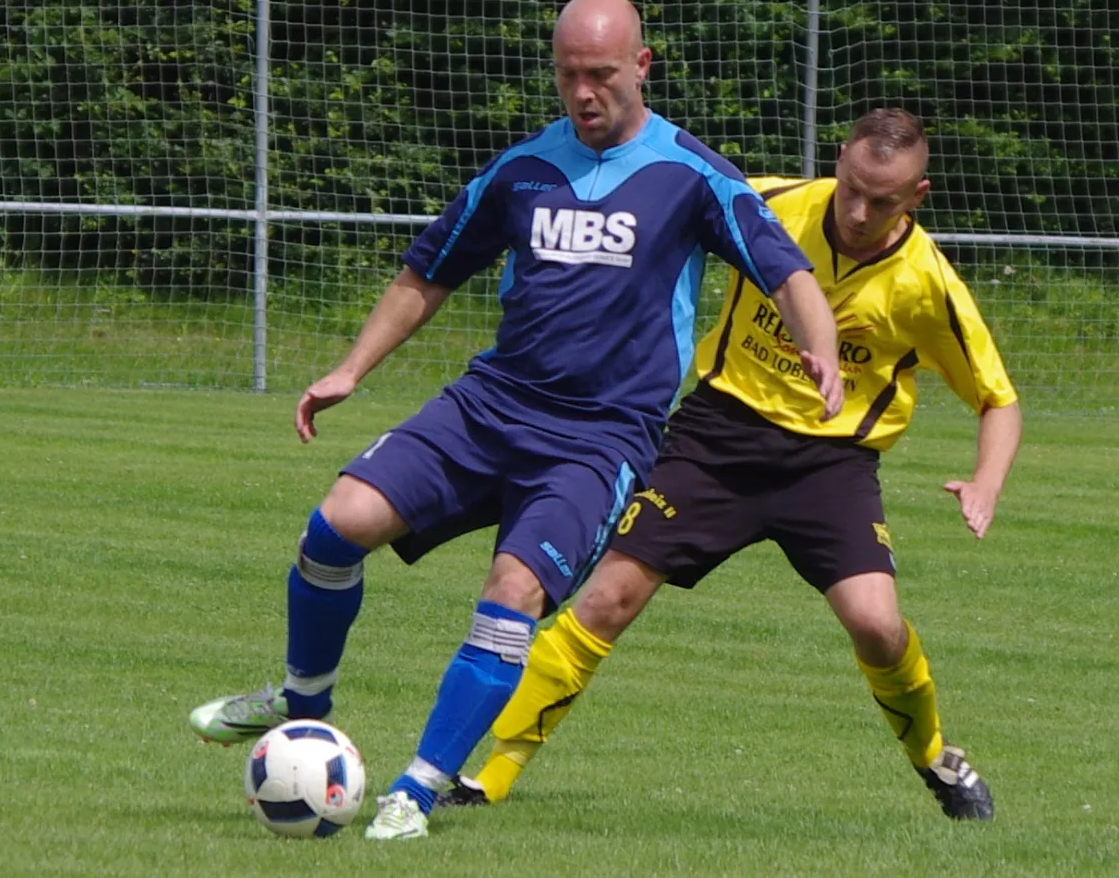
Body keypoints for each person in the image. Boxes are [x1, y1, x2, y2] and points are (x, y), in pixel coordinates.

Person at [187, 0, 845, 842]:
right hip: (491, 406)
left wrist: (820, 349)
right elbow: (427, 272)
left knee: (512, 591)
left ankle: (416, 790)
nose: (583, 93)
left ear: (641, 66)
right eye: (568, 75)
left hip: (600, 437)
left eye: (600, 74)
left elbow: (787, 272)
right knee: (336, 524)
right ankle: (302, 700)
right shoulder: (522, 169)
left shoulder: (692, 175)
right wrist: (350, 367)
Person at [438, 107, 1022, 821]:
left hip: (830, 466)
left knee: (876, 624)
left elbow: (998, 400)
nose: (859, 212)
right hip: (714, 437)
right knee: (607, 597)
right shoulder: (768, 204)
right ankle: (490, 774)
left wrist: (986, 482)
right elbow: (657, 213)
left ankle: (934, 755)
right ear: (839, 160)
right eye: (851, 189)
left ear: (917, 195)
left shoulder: (926, 283)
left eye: (884, 201)